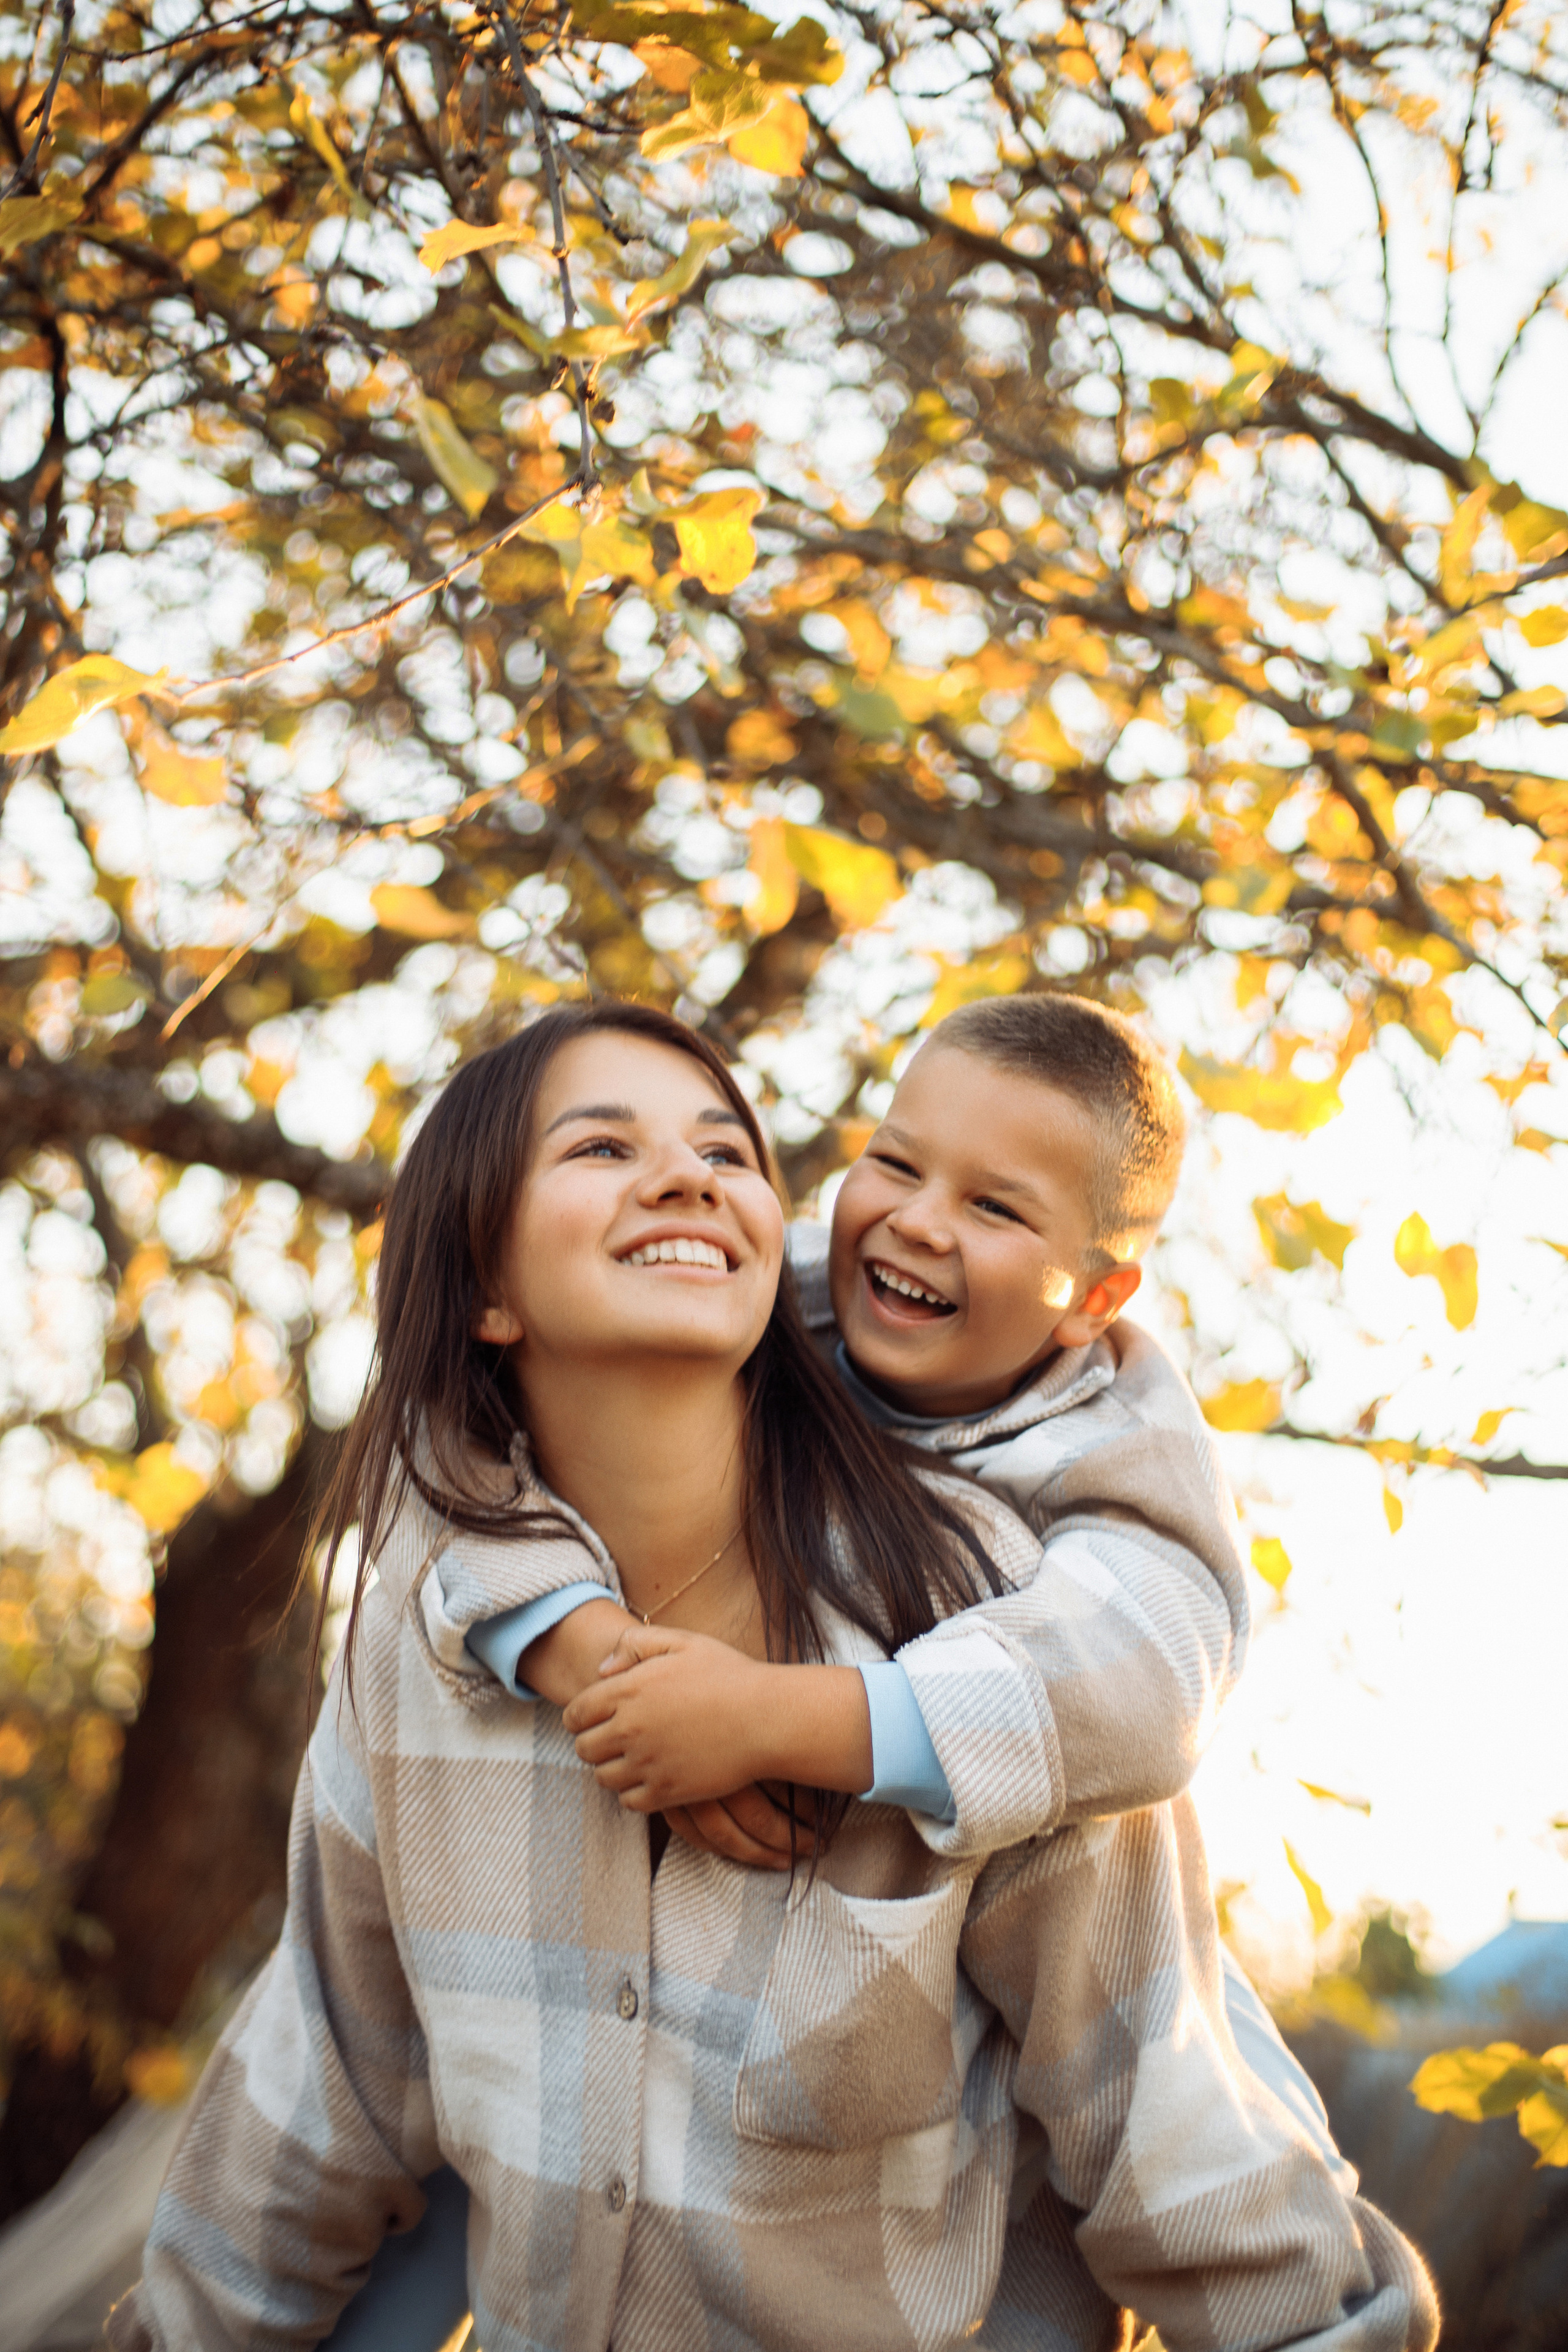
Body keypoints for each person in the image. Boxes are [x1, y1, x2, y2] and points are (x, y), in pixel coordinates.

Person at [111, 1003, 1436, 2352]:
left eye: (720, 1149)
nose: (687, 1176)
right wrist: (578, 1652)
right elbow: (321, 2091)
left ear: (1093, 1293)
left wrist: (794, 1720)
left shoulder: (1012, 1613)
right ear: (488, 1283)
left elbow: (1173, 2119)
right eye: (600, 1147)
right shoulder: (430, 1638)